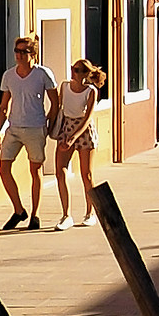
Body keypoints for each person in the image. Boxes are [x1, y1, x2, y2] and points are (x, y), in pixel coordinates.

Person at [0, 36, 58, 231]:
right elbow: (4, 105)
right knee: (4, 169)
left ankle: (35, 214)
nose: (19, 56)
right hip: (13, 128)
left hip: (35, 127)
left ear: (33, 54)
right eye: (17, 51)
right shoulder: (9, 76)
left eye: (24, 52)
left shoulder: (42, 74)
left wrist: (49, 124)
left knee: (35, 170)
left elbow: (55, 102)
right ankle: (18, 210)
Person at [50, 60, 104, 230]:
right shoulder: (65, 87)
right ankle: (66, 215)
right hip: (67, 127)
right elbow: (57, 108)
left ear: (86, 74)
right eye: (73, 69)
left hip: (83, 130)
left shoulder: (91, 91)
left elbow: (87, 117)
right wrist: (49, 125)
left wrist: (74, 137)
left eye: (78, 70)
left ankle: (90, 212)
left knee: (86, 174)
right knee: (60, 171)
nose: (74, 72)